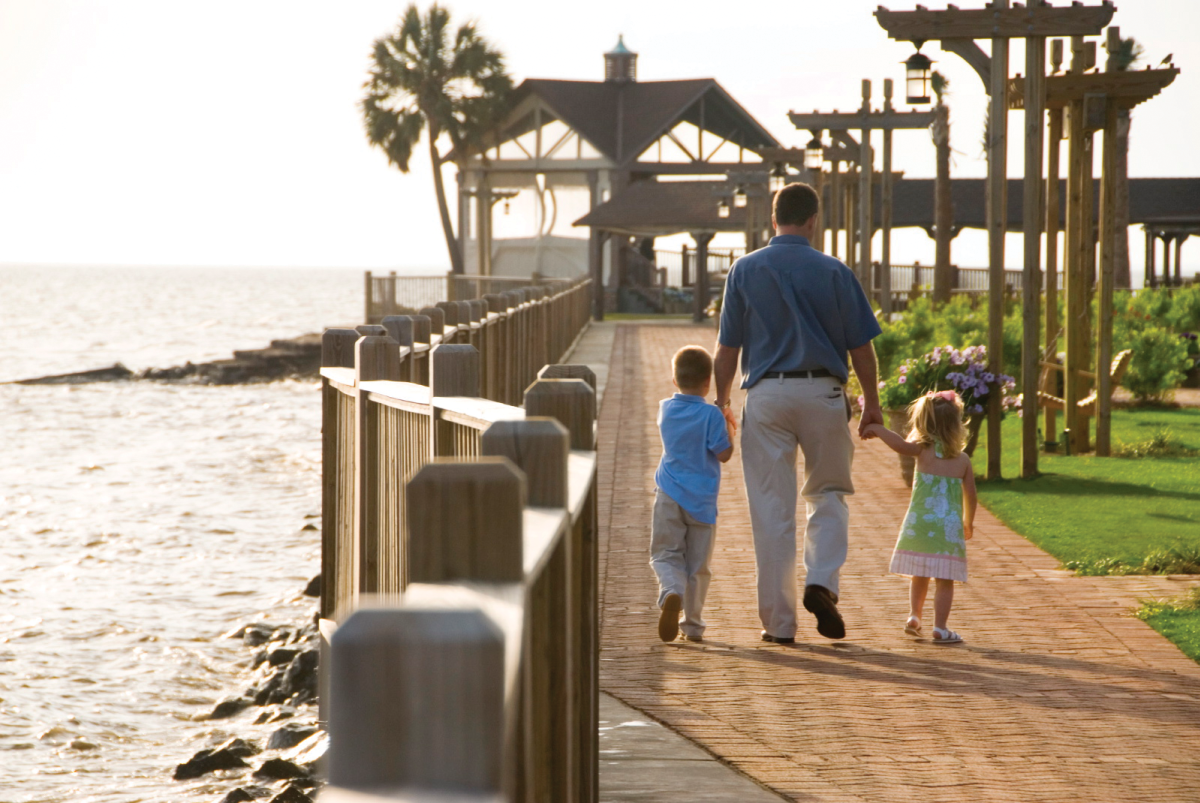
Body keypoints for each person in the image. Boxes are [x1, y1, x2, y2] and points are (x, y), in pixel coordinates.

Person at [713, 182, 882, 644]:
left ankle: (780, 624)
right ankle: (822, 581)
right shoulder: (835, 271)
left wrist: (722, 403)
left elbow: (727, 349)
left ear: (774, 220)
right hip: (825, 393)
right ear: (813, 220)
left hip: (766, 395)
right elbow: (862, 349)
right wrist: (872, 405)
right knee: (828, 493)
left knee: (771, 511)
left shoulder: (743, 270)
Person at [864, 390, 977, 644]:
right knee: (945, 579)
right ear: (957, 426)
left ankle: (914, 616)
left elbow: (899, 444)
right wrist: (968, 522)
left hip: (920, 522)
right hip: (947, 528)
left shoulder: (923, 451)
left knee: (920, 572)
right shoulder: (963, 460)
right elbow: (971, 496)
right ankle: (940, 626)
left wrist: (877, 428)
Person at [651, 345, 735, 643]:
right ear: (707, 382)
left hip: (668, 493)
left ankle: (671, 591)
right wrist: (727, 424)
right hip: (701, 501)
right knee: (698, 566)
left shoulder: (665, 409)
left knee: (665, 553)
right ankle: (693, 625)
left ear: (675, 380)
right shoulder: (711, 415)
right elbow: (723, 454)